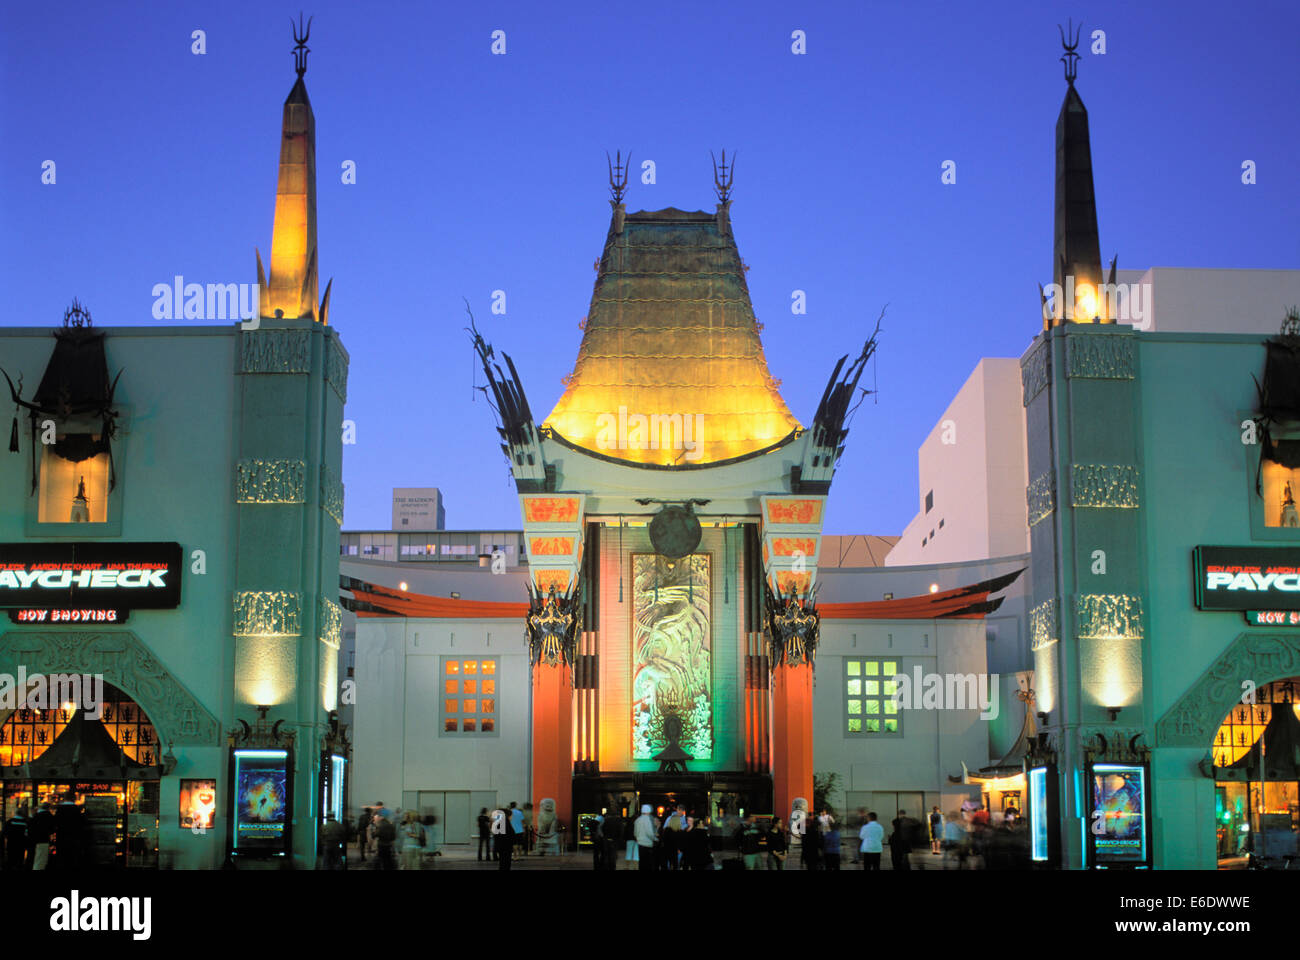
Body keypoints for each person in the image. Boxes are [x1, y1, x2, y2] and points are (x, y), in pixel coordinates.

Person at [3, 805, 29, 870]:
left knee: (11, 860)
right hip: (21, 845)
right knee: (20, 861)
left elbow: (5, 833)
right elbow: (27, 834)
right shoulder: (25, 822)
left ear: (15, 813)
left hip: (11, 844)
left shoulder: (9, 822)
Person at [634, 804, 658, 871]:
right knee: (648, 864)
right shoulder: (647, 820)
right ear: (648, 811)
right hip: (647, 844)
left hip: (639, 844)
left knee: (641, 863)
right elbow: (649, 833)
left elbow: (635, 833)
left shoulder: (637, 820)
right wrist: (655, 839)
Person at [662, 804, 687, 870]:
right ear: (677, 809)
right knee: (672, 863)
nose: (680, 812)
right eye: (679, 810)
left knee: (676, 863)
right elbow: (664, 829)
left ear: (683, 811)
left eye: (682, 810)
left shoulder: (685, 819)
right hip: (672, 845)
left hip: (676, 845)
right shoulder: (670, 818)